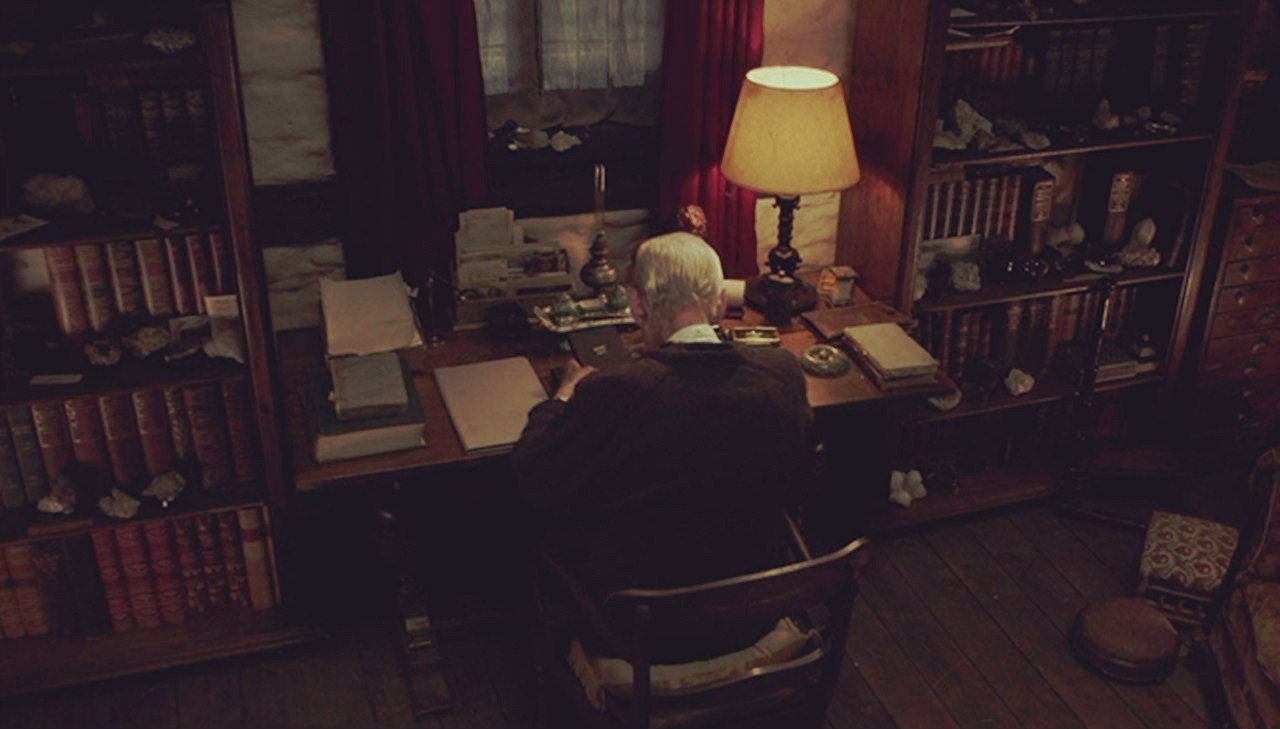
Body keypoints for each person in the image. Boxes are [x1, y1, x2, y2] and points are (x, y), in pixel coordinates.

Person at [511, 231, 814, 605]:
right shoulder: (783, 372)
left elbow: (533, 475)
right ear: (721, 302)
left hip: (645, 622)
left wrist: (562, 396)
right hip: (755, 605)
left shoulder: (616, 390)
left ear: (637, 305)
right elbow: (797, 480)